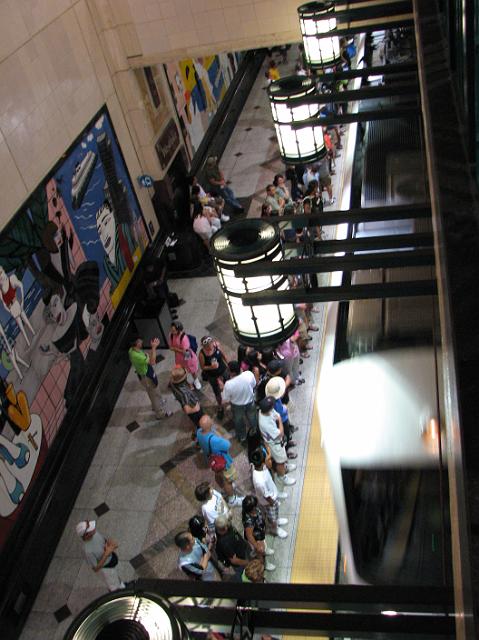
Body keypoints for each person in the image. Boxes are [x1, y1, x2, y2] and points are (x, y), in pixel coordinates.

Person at [196, 414, 243, 507]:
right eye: (211, 420)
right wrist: (218, 434)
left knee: (218, 475)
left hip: (213, 461)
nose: (212, 420)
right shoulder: (214, 440)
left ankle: (224, 489)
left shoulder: (198, 432)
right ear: (210, 425)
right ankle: (232, 499)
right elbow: (228, 444)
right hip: (223, 462)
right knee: (228, 480)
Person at [128, 337, 172, 419]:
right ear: (136, 344)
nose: (142, 341)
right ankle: (160, 413)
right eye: (139, 341)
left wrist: (148, 355)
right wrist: (154, 347)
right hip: (146, 377)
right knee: (153, 393)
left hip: (147, 371)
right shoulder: (136, 356)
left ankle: (158, 401)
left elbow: (148, 358)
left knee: (155, 389)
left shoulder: (132, 350)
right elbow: (152, 361)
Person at [76, 520, 125, 591]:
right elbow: (95, 568)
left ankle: (121, 585)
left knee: (116, 577)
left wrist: (109, 543)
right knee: (114, 586)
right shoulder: (88, 551)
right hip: (106, 568)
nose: (94, 529)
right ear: (86, 535)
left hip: (111, 558)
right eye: (91, 530)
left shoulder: (95, 533)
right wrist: (106, 554)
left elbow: (104, 540)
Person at [258, 396, 296, 486]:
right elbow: (281, 433)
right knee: (280, 462)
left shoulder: (263, 411)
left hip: (278, 441)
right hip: (275, 444)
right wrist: (279, 420)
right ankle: (282, 478)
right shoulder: (265, 423)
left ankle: (284, 467)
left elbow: (274, 414)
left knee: (282, 459)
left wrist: (277, 416)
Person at [250, 448, 288, 538]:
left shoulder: (258, 467)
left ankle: (277, 521)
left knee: (275, 514)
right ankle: (275, 529)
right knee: (272, 517)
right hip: (269, 502)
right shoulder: (259, 481)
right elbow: (266, 496)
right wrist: (272, 502)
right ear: (263, 462)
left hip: (272, 495)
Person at [222, 360, 257, 442]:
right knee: (252, 417)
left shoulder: (228, 384)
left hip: (237, 406)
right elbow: (254, 384)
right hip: (250, 401)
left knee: (239, 421)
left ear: (232, 373)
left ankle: (242, 436)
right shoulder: (248, 374)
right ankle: (255, 430)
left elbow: (225, 399)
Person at [265, 377, 297, 459]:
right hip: (281, 422)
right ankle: (287, 452)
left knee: (287, 434)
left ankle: (288, 442)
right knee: (284, 436)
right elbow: (279, 411)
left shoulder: (273, 398)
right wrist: (285, 408)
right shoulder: (274, 402)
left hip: (283, 420)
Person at [198, 336, 230, 419]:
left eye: (210, 344)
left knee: (229, 384)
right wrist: (211, 367)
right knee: (216, 391)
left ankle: (232, 399)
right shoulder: (202, 354)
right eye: (207, 346)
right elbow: (202, 367)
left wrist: (228, 365)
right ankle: (220, 406)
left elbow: (223, 356)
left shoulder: (216, 346)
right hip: (212, 375)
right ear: (203, 346)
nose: (209, 347)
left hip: (223, 370)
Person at [242, 494, 275, 571]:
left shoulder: (255, 510)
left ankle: (263, 550)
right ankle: (264, 564)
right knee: (260, 553)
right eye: (256, 505)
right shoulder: (248, 521)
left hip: (260, 534)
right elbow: (249, 535)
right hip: (256, 539)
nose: (257, 505)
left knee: (264, 546)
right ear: (252, 508)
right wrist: (257, 546)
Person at [169, 367, 204, 438]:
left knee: (195, 422)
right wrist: (197, 408)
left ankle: (195, 431)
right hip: (194, 409)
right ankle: (199, 437)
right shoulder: (184, 393)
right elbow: (187, 410)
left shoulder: (172, 384)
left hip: (187, 402)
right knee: (200, 424)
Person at [214, 514, 252, 579]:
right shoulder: (224, 543)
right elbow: (234, 560)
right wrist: (247, 563)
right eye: (227, 525)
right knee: (243, 574)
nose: (229, 524)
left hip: (243, 548)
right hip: (241, 560)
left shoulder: (222, 527)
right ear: (225, 528)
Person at [168, 321, 201, 389]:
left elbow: (185, 351)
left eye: (174, 330)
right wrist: (178, 349)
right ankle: (186, 383)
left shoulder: (183, 338)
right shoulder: (171, 335)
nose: (172, 332)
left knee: (192, 370)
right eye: (171, 330)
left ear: (178, 330)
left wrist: (176, 349)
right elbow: (171, 347)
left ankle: (196, 381)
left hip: (187, 356)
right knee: (181, 371)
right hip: (178, 358)